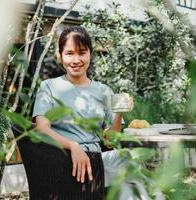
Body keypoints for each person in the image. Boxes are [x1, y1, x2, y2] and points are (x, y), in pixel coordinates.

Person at [32, 25, 131, 200]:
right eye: (70, 53)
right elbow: (42, 129)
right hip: (61, 162)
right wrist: (73, 146)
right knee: (131, 170)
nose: (76, 59)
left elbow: (109, 141)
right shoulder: (48, 87)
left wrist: (119, 113)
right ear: (60, 56)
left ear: (90, 54)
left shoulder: (104, 91)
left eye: (82, 52)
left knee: (129, 161)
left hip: (96, 163)